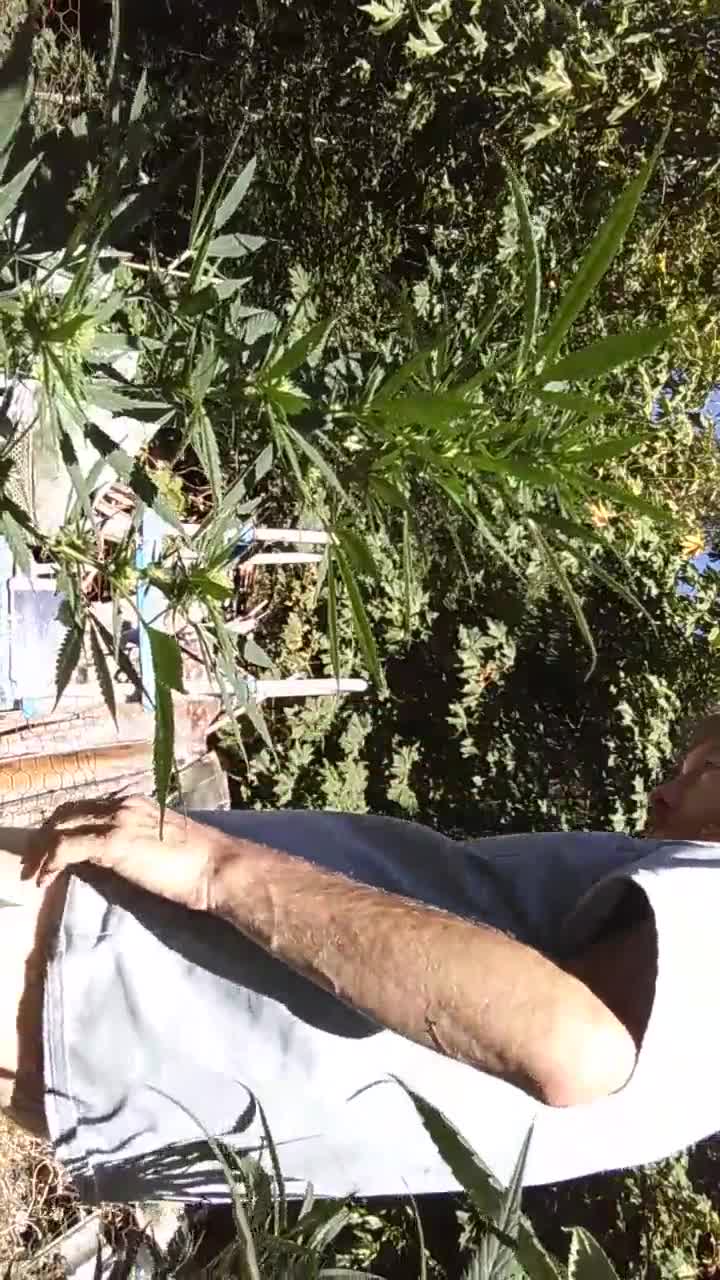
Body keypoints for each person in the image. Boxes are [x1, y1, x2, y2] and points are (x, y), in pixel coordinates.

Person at [1, 713, 719, 1206]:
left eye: (708, 769)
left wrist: (215, 867)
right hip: (140, 1061)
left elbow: (574, 1047)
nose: (664, 795)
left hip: (122, 961)